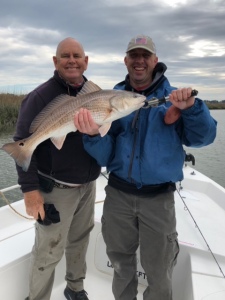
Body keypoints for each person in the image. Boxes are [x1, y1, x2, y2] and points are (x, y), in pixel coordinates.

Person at [74, 34, 217, 300]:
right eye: (134, 56)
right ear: (126, 61)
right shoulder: (111, 97)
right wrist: (93, 136)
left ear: (155, 60)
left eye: (145, 55)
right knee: (120, 265)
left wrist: (191, 108)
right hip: (118, 197)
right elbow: (106, 156)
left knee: (160, 271)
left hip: (158, 200)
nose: (139, 61)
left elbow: (203, 138)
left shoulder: (174, 97)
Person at [14, 37, 101, 300]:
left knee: (80, 240)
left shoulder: (96, 93)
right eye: (65, 56)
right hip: (56, 190)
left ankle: (75, 289)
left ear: (86, 62)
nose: (71, 60)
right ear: (56, 61)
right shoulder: (40, 96)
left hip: (87, 186)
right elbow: (22, 142)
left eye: (77, 55)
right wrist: (30, 190)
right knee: (48, 250)